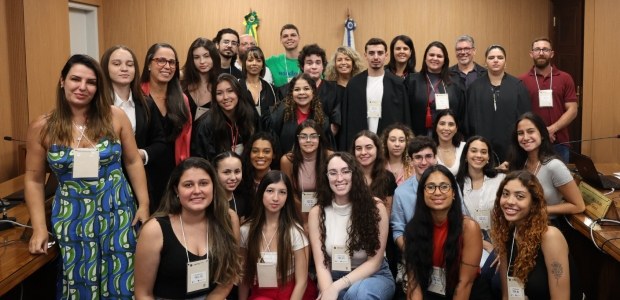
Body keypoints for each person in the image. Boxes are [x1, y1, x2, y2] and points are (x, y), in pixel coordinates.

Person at [25, 54, 149, 298]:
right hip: (73, 218)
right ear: (62, 81)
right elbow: (33, 179)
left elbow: (133, 161)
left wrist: (144, 203)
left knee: (121, 282)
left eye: (91, 82)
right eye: (75, 79)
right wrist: (39, 228)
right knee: (80, 282)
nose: (82, 87)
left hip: (117, 213)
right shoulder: (43, 126)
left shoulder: (115, 116)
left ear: (98, 87)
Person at [134, 157, 242, 299]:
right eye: (188, 185)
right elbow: (143, 293)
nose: (197, 191)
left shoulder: (228, 219)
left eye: (203, 183)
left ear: (214, 187)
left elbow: (230, 274)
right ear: (176, 190)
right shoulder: (155, 229)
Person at [308, 152, 395, 300]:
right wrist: (328, 291)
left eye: (345, 171)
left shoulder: (375, 207)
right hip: (333, 277)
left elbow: (374, 262)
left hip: (374, 276)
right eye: (333, 173)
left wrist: (335, 287)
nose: (339, 178)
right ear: (326, 177)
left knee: (358, 294)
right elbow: (322, 266)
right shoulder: (316, 213)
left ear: (354, 174)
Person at [491, 171, 581, 299]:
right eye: (505, 194)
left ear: (533, 203)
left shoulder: (550, 237)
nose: (510, 201)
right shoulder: (507, 232)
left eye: (520, 196)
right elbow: (507, 296)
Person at [404, 165, 486, 300]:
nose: (437, 192)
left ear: (454, 193)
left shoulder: (469, 228)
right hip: (432, 290)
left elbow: (465, 283)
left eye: (444, 186)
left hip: (467, 293)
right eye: (430, 187)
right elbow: (415, 282)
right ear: (422, 193)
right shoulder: (413, 228)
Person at [101, 45, 166, 208]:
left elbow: (161, 143)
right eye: (116, 64)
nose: (124, 68)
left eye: (129, 64)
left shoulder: (146, 104)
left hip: (139, 181)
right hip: (103, 183)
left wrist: (141, 154)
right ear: (105, 68)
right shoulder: (97, 106)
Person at [239, 170, 318, 300]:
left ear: (287, 197)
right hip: (261, 291)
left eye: (282, 192)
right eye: (270, 191)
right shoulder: (246, 231)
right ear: (261, 193)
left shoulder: (295, 231)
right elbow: (244, 277)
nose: (276, 198)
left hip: (293, 291)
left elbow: (301, 282)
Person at [140, 42, 192, 209]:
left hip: (173, 172)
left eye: (172, 62)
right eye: (161, 61)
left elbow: (186, 139)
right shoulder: (137, 96)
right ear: (149, 64)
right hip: (143, 171)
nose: (167, 66)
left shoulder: (181, 99)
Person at [506, 112, 585, 219]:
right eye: (520, 133)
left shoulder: (555, 166)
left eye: (530, 131)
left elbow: (579, 206)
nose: (525, 137)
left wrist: (539, 210)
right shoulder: (519, 163)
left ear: (542, 135)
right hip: (521, 225)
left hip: (548, 227)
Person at [456, 136, 506, 298]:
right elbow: (456, 220)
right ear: (465, 155)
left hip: (500, 238)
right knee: (478, 276)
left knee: (496, 278)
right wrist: (484, 244)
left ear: (489, 157)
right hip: (469, 240)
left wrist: (502, 247)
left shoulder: (501, 180)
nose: (479, 155)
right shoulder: (455, 184)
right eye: (474, 151)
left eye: (483, 152)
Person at [339, 38, 410, 150]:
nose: (376, 57)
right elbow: (346, 121)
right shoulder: (354, 84)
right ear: (365, 55)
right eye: (371, 53)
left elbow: (405, 119)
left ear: (386, 55)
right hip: (361, 147)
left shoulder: (398, 84)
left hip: (389, 147)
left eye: (380, 53)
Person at [466, 44, 531, 163]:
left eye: (500, 57)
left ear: (505, 62)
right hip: (482, 150)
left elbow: (525, 119)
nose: (495, 60)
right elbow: (469, 121)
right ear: (485, 62)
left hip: (511, 149)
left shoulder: (518, 86)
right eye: (491, 58)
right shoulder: (475, 87)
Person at [519, 37, 578, 163]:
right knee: (532, 181)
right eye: (537, 49)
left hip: (559, 142)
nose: (541, 53)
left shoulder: (565, 78)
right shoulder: (521, 81)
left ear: (551, 53)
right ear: (531, 54)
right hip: (531, 142)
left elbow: (573, 110)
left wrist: (551, 129)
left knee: (560, 181)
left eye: (545, 49)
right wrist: (540, 132)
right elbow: (520, 113)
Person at [191, 73, 260, 160]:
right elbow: (202, 161)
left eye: (230, 91)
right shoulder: (205, 124)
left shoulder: (249, 116)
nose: (225, 97)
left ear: (238, 92)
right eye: (219, 93)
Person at [280, 120, 333, 229]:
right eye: (303, 137)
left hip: (327, 210)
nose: (308, 140)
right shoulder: (288, 161)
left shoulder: (330, 157)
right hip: (297, 212)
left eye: (313, 136)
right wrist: (305, 220)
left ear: (319, 138)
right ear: (297, 139)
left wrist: (317, 215)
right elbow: (290, 194)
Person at [407, 41, 466, 137]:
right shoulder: (412, 80)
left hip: (448, 136)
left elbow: (461, 113)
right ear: (425, 58)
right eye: (431, 55)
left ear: (445, 60)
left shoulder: (456, 81)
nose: (435, 58)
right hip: (419, 136)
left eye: (439, 56)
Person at [269, 73, 333, 154]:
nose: (301, 93)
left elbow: (326, 147)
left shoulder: (321, 118)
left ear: (313, 91)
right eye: (297, 89)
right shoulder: (279, 114)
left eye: (306, 89)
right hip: (286, 163)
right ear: (291, 93)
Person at [295, 43, 341, 136]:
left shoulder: (335, 90)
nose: (314, 67)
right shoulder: (292, 90)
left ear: (323, 66)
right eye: (309, 63)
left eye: (318, 62)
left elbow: (336, 123)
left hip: (326, 142)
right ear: (302, 66)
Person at [181, 37, 221, 120]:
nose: (202, 61)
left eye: (206, 56)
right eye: (196, 57)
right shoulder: (182, 84)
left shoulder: (221, 85)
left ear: (214, 57)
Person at [238, 46, 278, 121]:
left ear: (263, 65)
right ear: (245, 63)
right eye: (250, 60)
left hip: (266, 131)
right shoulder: (237, 85)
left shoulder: (271, 89)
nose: (254, 63)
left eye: (258, 60)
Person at [239, 132, 279, 201]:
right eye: (255, 151)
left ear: (273, 155)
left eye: (266, 152)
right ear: (249, 153)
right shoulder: (240, 180)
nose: (260, 155)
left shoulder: (279, 181)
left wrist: (305, 209)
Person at [213, 151, 251, 222]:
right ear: (215, 173)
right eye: (226, 172)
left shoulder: (243, 200)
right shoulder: (209, 202)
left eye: (237, 171)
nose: (233, 177)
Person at [432, 109, 465, 176]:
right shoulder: (429, 150)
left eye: (451, 124)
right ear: (436, 127)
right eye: (442, 124)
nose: (446, 128)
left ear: (456, 129)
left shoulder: (464, 148)